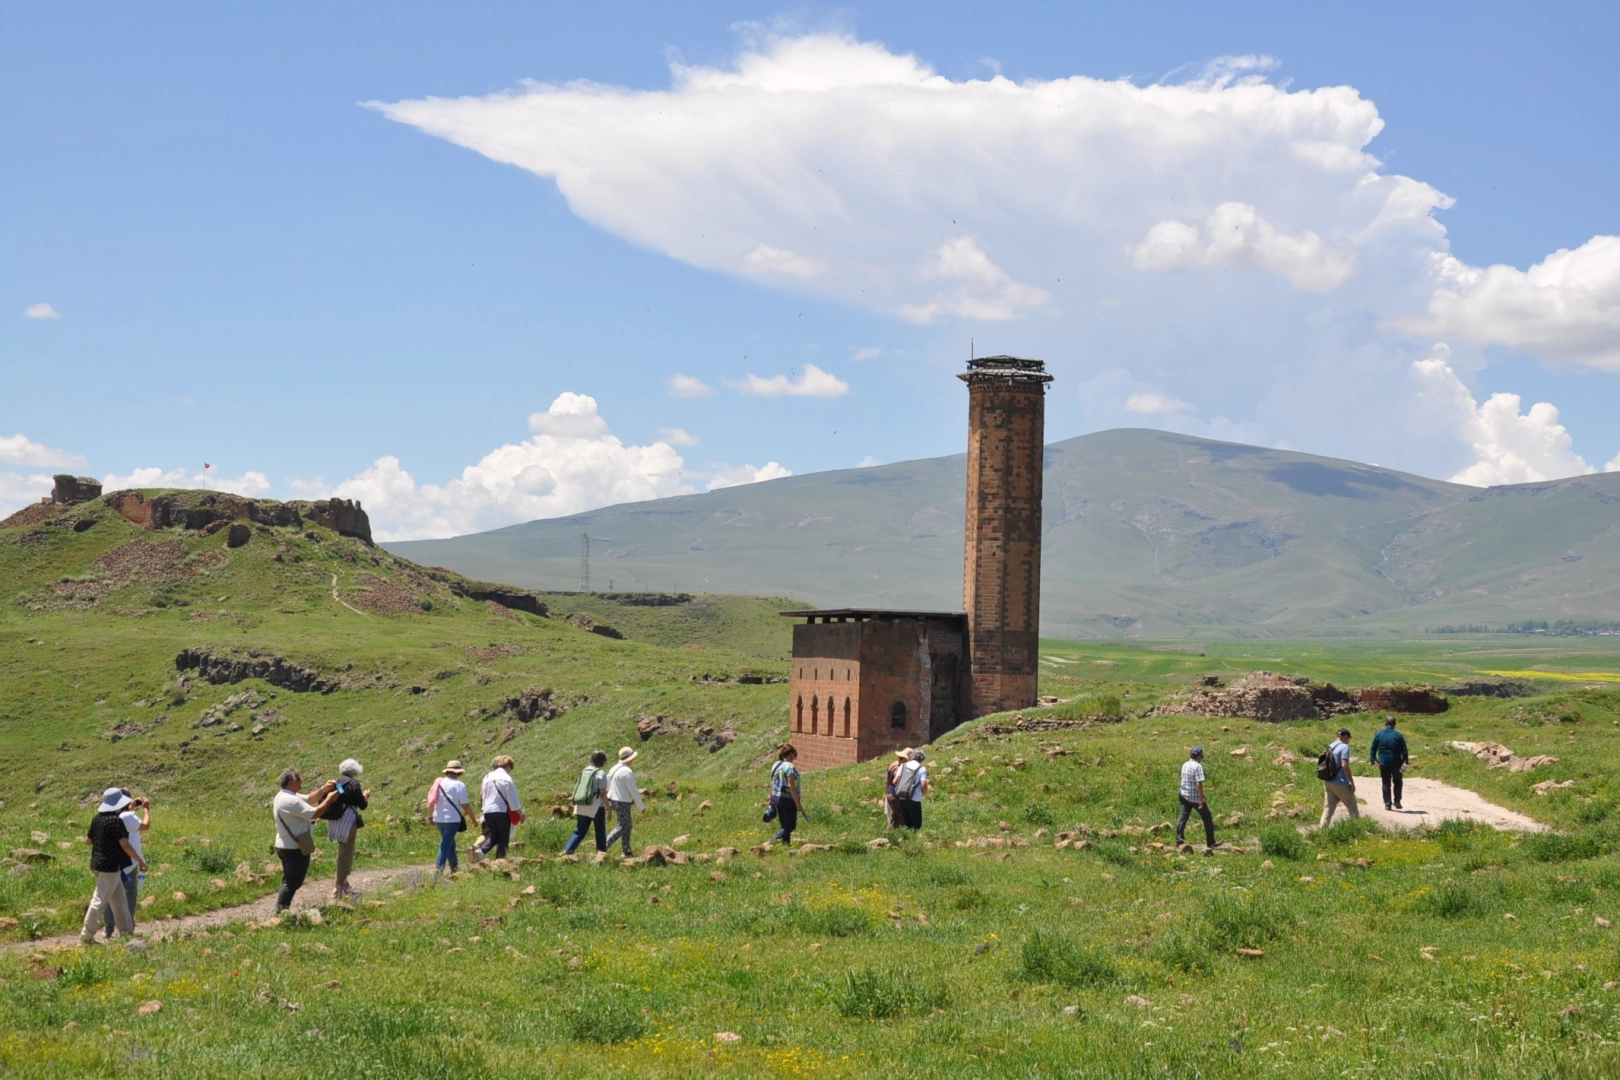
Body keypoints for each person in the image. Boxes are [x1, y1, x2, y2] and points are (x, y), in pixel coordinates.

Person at [80, 788, 146, 945]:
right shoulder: (117, 821)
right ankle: (86, 936)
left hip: (98, 864)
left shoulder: (97, 819)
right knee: (99, 900)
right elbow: (125, 845)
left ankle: (126, 931)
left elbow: (88, 841)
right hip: (111, 866)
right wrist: (140, 861)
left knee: (119, 898)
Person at [271, 768, 339, 914]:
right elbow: (314, 813)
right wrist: (328, 800)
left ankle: (281, 910)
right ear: (290, 783)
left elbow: (308, 799)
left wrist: (323, 789)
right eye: (299, 780)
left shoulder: (285, 796)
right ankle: (280, 912)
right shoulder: (289, 800)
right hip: (293, 847)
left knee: (290, 880)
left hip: (287, 844)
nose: (301, 783)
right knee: (292, 882)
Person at [101, 789, 149, 938]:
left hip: (110, 863)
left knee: (110, 896)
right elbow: (146, 825)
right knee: (129, 895)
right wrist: (147, 809)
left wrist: (131, 808)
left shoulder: (107, 817)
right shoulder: (129, 817)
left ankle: (108, 928)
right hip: (129, 864)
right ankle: (129, 928)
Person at [324, 759, 370, 899]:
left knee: (343, 850)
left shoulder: (336, 782)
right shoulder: (353, 784)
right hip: (347, 821)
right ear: (354, 771)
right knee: (346, 853)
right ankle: (339, 886)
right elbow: (362, 805)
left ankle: (344, 882)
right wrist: (365, 797)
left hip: (334, 820)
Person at [470, 755, 522, 863]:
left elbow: (482, 794)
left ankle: (480, 853)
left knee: (494, 836)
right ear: (508, 766)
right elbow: (513, 800)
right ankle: (499, 863)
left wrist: (482, 810)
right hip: (501, 812)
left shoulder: (488, 777)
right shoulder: (506, 778)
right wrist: (520, 814)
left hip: (488, 812)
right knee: (503, 839)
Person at [426, 760, 474, 876]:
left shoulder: (438, 784)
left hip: (438, 818)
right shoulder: (460, 785)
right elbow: (465, 805)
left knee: (450, 843)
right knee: (446, 844)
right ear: (459, 773)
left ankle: (454, 868)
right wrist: (473, 819)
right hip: (452, 819)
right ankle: (438, 873)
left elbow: (431, 803)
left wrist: (430, 817)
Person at [563, 751, 610, 855]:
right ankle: (601, 853)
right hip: (596, 806)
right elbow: (602, 793)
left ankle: (567, 850)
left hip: (581, 803)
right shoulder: (600, 773)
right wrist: (609, 808)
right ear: (601, 761)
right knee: (600, 830)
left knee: (579, 830)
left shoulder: (584, 771)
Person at [603, 746, 646, 857]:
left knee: (627, 825)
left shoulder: (614, 768)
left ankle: (626, 850)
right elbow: (633, 791)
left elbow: (607, 781)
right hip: (623, 802)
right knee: (622, 826)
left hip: (613, 800)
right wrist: (641, 806)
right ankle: (604, 847)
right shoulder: (627, 772)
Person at [1175, 747, 1220, 850]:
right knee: (1207, 817)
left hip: (1184, 794)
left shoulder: (1185, 764)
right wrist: (1201, 799)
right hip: (1194, 797)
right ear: (1199, 756)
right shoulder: (1198, 766)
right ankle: (1211, 843)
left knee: (1182, 817)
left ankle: (1179, 841)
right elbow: (1198, 783)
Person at [765, 745, 805, 847]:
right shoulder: (789, 767)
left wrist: (770, 798)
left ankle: (785, 845)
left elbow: (773, 782)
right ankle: (773, 841)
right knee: (791, 825)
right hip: (787, 799)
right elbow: (790, 785)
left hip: (776, 798)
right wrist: (798, 804)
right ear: (791, 754)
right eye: (795, 755)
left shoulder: (776, 765)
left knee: (784, 824)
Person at [1320, 727, 1360, 828]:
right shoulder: (1344, 747)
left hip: (1329, 781)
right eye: (1349, 738)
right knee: (1353, 808)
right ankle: (1356, 831)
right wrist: (1351, 782)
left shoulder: (1331, 746)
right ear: (1345, 737)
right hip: (1340, 782)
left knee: (1328, 810)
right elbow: (1344, 765)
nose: (1349, 741)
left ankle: (1322, 832)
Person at [1368, 716, 1410, 811]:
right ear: (1395, 724)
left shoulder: (1379, 734)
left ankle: (1387, 804)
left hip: (1383, 763)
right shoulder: (1399, 735)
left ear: (1385, 724)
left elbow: (1373, 748)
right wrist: (1405, 762)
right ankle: (1397, 801)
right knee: (1398, 781)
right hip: (1396, 763)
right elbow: (1404, 751)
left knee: (1386, 783)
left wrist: (1374, 760)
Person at [892, 748, 929, 830]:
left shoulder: (903, 765)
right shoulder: (921, 768)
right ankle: (914, 841)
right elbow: (923, 785)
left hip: (901, 797)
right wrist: (925, 792)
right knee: (916, 825)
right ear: (922, 759)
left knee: (907, 824)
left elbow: (894, 782)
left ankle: (907, 839)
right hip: (914, 799)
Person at [884, 749, 912, 829]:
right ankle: (892, 833)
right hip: (895, 796)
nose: (899, 760)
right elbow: (894, 782)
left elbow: (888, 781)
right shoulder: (902, 769)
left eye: (901, 758)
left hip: (890, 794)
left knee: (893, 815)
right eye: (899, 758)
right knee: (898, 816)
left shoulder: (893, 766)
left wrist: (885, 793)